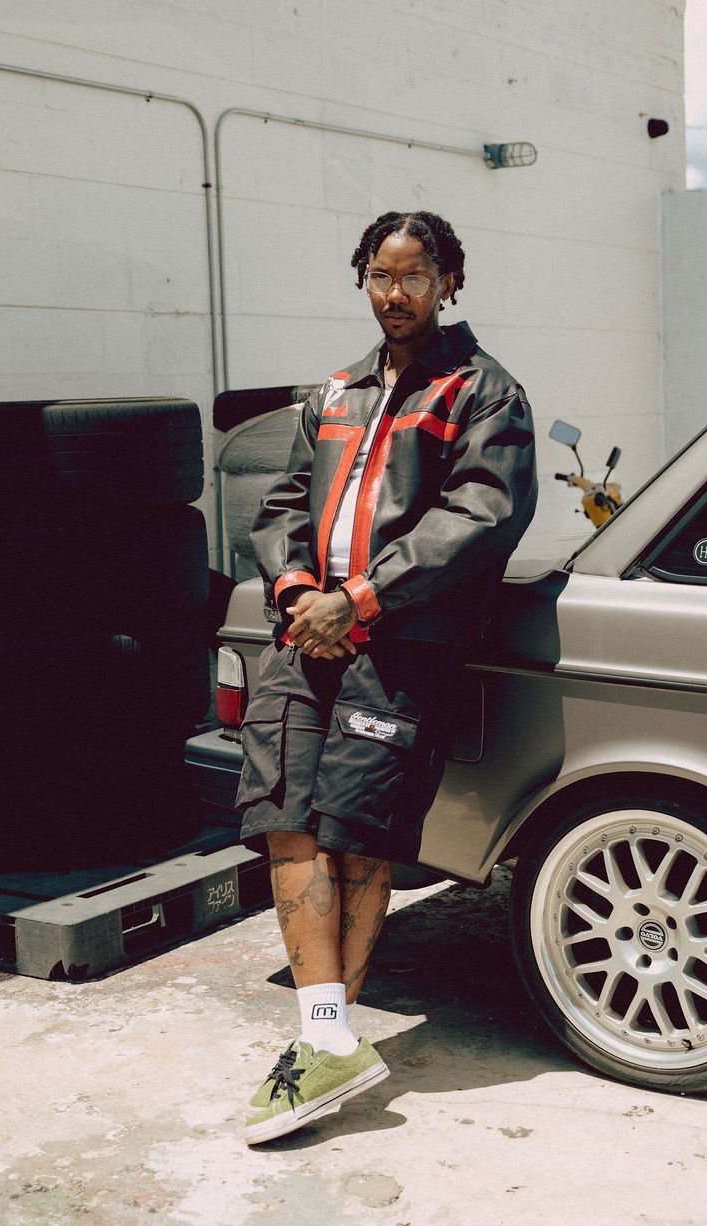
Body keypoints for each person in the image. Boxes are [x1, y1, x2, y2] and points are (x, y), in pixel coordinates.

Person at [238, 209, 537, 1144]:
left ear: (452, 279)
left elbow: (481, 517)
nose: (395, 293)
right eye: (379, 274)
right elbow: (285, 500)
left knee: (358, 837)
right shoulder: (333, 391)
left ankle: (326, 1043)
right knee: (286, 825)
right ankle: (324, 1035)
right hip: (304, 637)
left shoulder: (486, 393)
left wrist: (360, 600)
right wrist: (295, 590)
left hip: (401, 647)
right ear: (361, 279)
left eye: (414, 275)